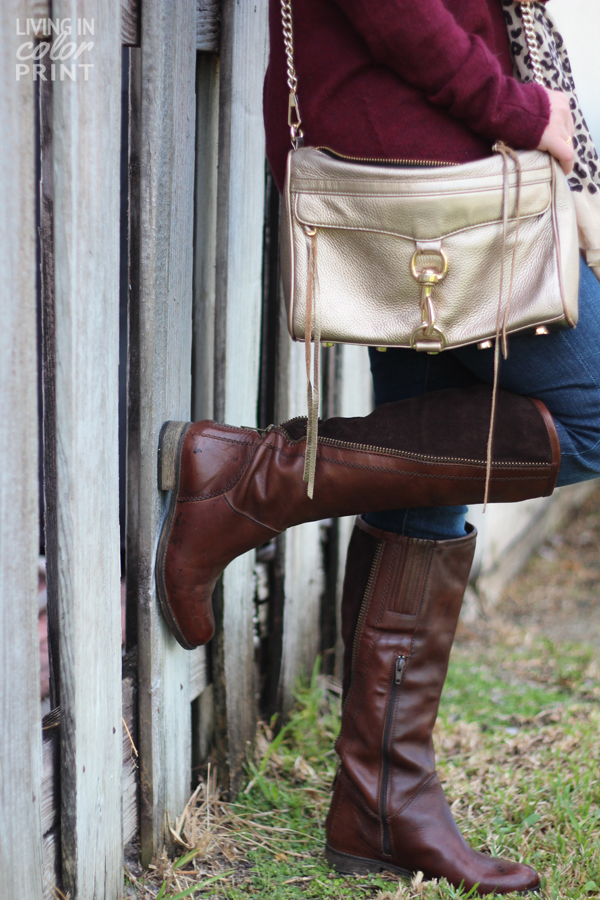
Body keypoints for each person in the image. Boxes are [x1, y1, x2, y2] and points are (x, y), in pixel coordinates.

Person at [156, 0, 600, 894]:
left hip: (419, 151)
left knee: (429, 468)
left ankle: (382, 803)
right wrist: (523, 111)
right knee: (589, 414)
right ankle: (252, 478)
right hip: (423, 154)